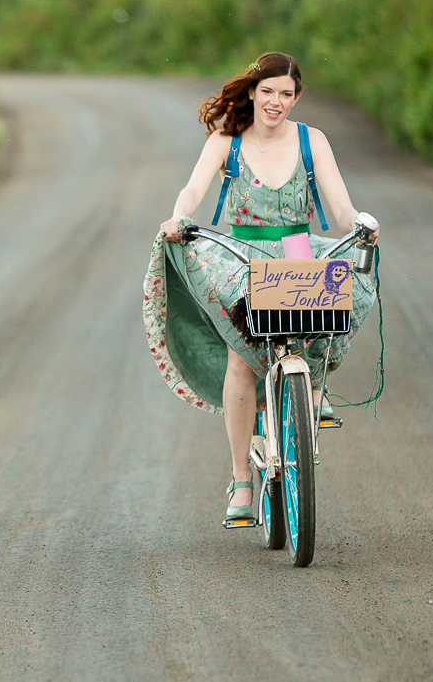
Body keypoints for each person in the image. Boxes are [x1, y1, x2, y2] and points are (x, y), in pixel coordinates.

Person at [143, 52, 379, 521]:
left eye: (286, 94)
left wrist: (361, 223)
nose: (276, 102)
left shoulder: (313, 141)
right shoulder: (226, 141)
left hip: (297, 250)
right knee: (241, 358)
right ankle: (241, 481)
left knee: (333, 307)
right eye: (268, 91)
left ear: (296, 98)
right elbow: (193, 190)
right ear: (252, 91)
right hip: (242, 253)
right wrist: (179, 216)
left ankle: (314, 384)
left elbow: (340, 208)